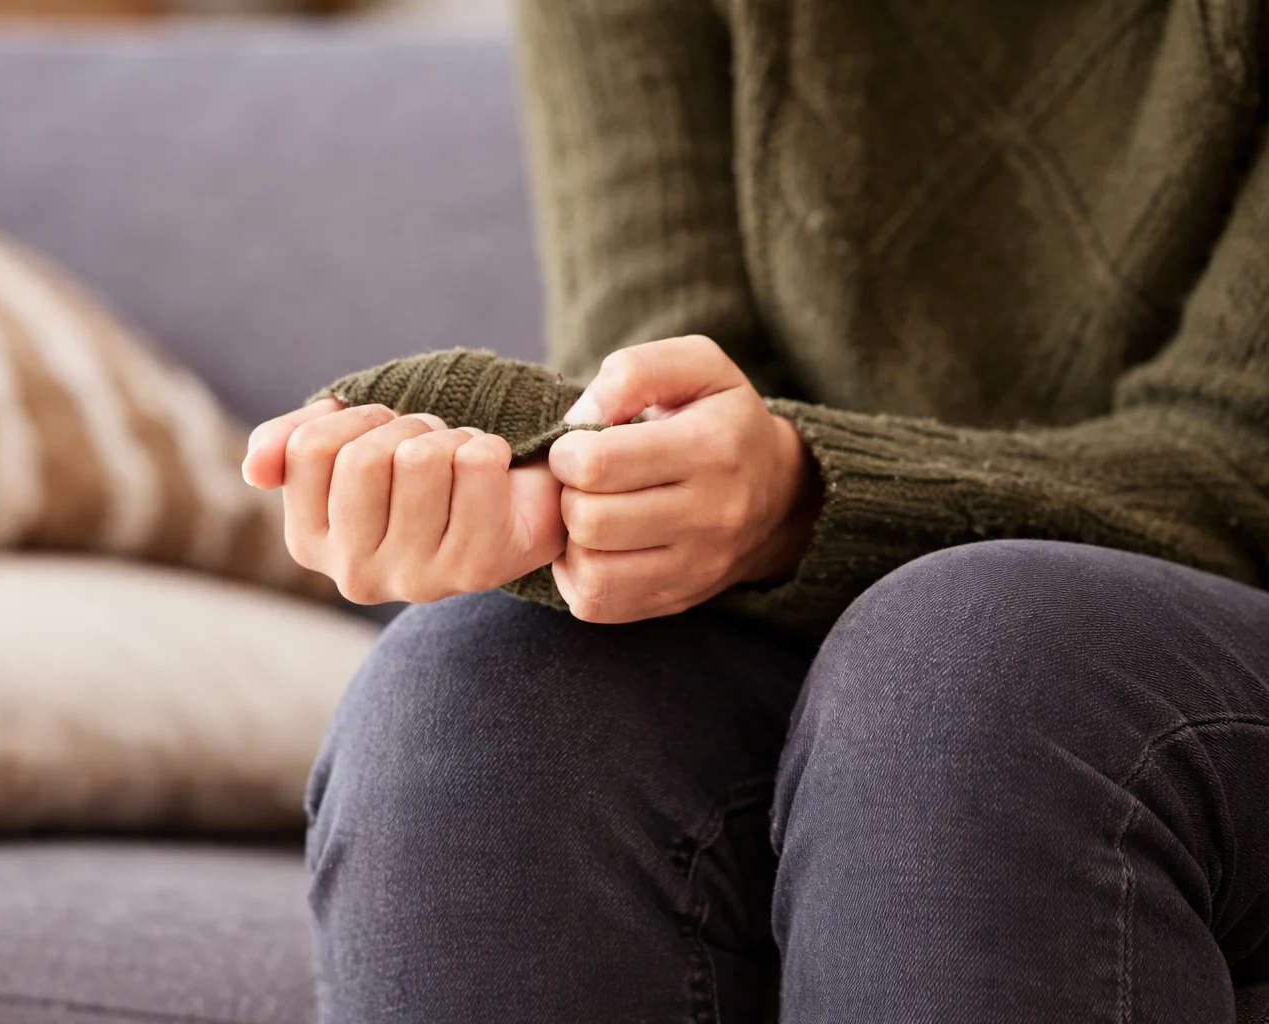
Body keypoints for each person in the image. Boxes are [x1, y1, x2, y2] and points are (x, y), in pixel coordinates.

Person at [242, 1, 1269, 1020]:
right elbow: (656, 377)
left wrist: (798, 496)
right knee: (475, 694)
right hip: (855, 627)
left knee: (979, 671)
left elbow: (1238, 461)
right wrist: (578, 502)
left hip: (1181, 630)